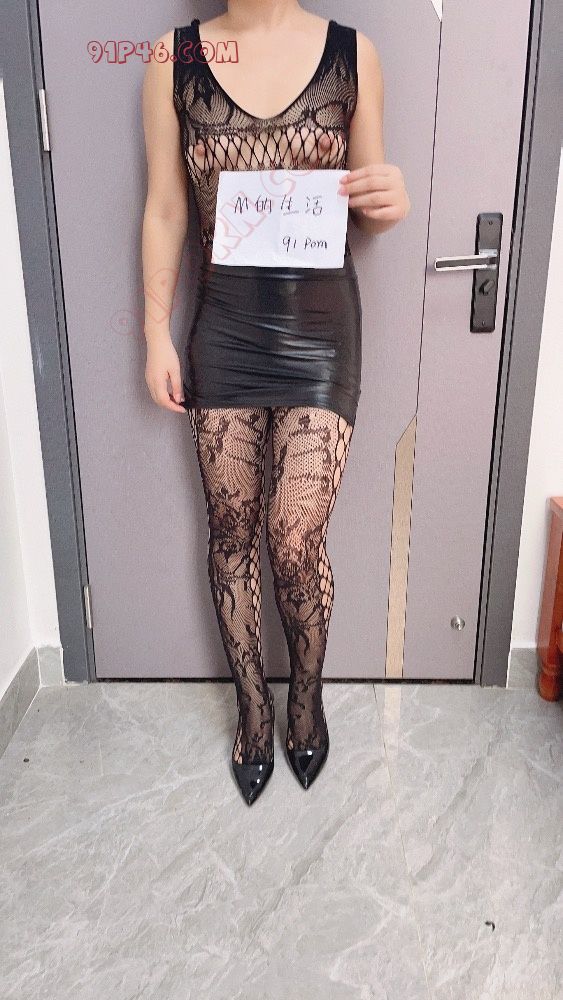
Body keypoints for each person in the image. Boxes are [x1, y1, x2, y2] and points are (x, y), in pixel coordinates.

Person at [141, 1, 410, 805]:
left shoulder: (352, 55)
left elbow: (371, 204)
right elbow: (166, 206)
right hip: (222, 327)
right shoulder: (172, 59)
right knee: (230, 531)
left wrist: (389, 200)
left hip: (321, 332)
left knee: (292, 540)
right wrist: (154, 332)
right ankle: (253, 713)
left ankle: (306, 699)